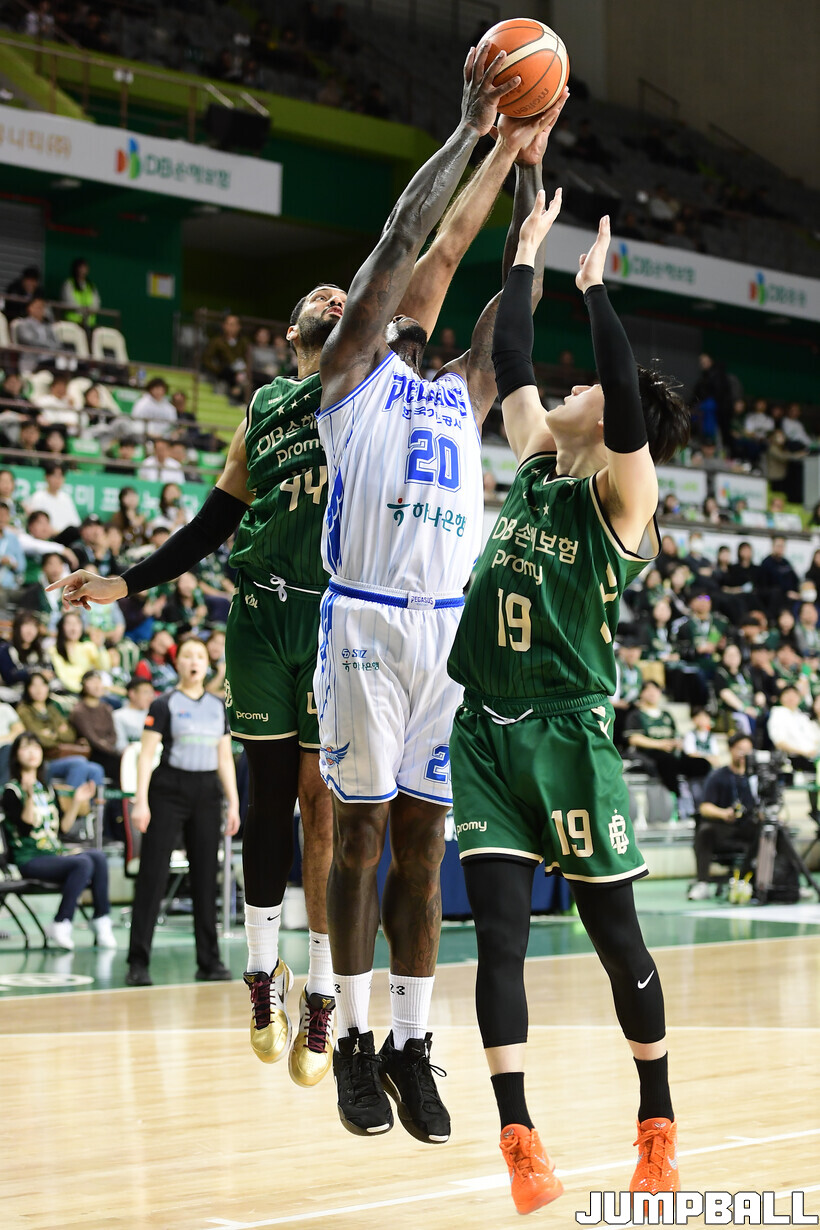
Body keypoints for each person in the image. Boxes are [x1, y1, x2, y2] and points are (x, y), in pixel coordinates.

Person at [48, 72, 564, 1098]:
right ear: (303, 338)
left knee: (343, 819)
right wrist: (130, 581)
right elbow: (217, 519)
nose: (341, 299)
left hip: (381, 622)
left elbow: (456, 277)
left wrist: (513, 164)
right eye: (323, 304)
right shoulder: (308, 397)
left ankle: (337, 999)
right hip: (294, 617)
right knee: (279, 805)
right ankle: (268, 976)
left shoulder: (416, 389)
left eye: (349, 299)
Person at [315, 51, 565, 1141]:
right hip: (366, 623)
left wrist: (527, 160)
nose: (412, 309)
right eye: (398, 310)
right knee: (361, 840)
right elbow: (406, 241)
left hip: (446, 641)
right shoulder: (351, 378)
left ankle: (414, 1046)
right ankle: (353, 1039)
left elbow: (515, 297)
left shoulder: (464, 392)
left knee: (425, 850)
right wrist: (471, 133)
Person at [445, 197, 690, 1211]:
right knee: (498, 938)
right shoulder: (539, 463)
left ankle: (656, 1125)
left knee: (615, 939)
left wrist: (593, 293)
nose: (572, 388)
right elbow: (509, 354)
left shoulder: (627, 501)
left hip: (570, 739)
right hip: (484, 734)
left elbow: (624, 392)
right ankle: (520, 1140)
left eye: (583, 386)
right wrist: (523, 256)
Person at [126, 637, 239, 985]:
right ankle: (138, 963)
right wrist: (140, 801)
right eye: (187, 655)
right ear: (178, 664)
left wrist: (233, 802)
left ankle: (209, 962)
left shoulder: (218, 706)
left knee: (205, 877)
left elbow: (224, 758)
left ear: (207, 664)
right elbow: (146, 755)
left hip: (207, 793)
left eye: (200, 656)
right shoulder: (164, 704)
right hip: (168, 790)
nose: (194, 661)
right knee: (153, 875)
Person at [2, 732, 114, 950]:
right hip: (30, 859)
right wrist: (29, 797)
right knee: (82, 863)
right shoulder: (10, 791)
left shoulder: (48, 789)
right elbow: (25, 828)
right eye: (25, 747)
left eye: (36, 747)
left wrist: (76, 802)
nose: (32, 752)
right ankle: (61, 921)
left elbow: (62, 829)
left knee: (98, 857)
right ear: (16, 755)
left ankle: (102, 919)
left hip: (54, 854)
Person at [688, 732, 760, 900]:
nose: (744, 754)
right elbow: (704, 807)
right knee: (705, 831)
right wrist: (723, 813)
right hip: (724, 827)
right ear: (730, 749)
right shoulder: (718, 776)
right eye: (740, 749)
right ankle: (702, 883)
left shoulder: (755, 777)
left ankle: (787, 883)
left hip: (748, 828)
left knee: (774, 830)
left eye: (748, 751)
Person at [17, 671, 105, 793]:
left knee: (96, 769)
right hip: (45, 760)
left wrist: (51, 733)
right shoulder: (24, 710)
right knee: (79, 763)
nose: (39, 689)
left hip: (62, 756)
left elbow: (70, 735)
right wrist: (58, 732)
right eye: (34, 685)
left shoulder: (52, 709)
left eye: (42, 684)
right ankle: (69, 803)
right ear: (27, 689)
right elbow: (38, 738)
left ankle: (92, 805)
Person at [50, 610, 111, 695]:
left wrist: (100, 647)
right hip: (69, 692)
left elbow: (104, 667)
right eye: (69, 623)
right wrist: (82, 690)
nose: (73, 628)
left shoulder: (88, 646)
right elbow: (62, 676)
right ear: (61, 627)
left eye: (77, 623)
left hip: (89, 691)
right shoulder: (54, 650)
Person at [202, 315, 252, 404]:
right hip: (223, 372)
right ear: (223, 326)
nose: (231, 327)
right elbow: (207, 359)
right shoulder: (217, 341)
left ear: (239, 327)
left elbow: (247, 359)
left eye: (233, 325)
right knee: (229, 373)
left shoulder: (244, 342)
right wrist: (217, 369)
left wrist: (243, 370)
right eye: (228, 324)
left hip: (241, 372)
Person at [24, 462, 81, 539]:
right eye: (55, 476)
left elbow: (76, 523)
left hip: (68, 535)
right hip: (51, 537)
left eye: (61, 476)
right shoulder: (38, 497)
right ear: (46, 477)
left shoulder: (66, 498)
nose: (58, 480)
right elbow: (37, 524)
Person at [113, 676, 155, 752]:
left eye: (151, 693)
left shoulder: (153, 714)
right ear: (132, 693)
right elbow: (120, 746)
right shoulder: (118, 716)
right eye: (146, 692)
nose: (150, 697)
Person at [61, 258, 100, 329]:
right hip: (72, 323)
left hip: (89, 325)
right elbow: (69, 303)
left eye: (85, 267)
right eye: (81, 267)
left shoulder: (91, 286)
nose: (83, 270)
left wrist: (88, 312)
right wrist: (83, 311)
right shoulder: (69, 284)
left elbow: (96, 304)